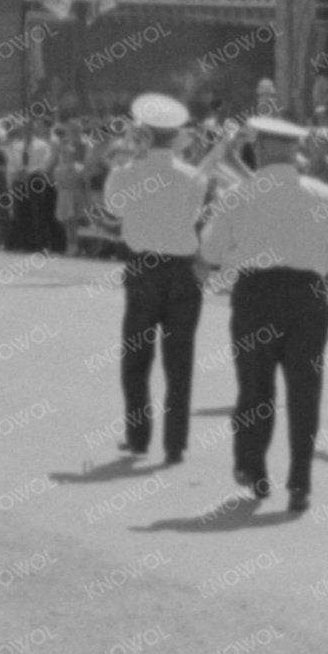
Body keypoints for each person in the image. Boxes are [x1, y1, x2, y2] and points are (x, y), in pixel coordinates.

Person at [201, 117, 328, 515]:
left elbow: (210, 251)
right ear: (295, 151)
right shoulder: (323, 194)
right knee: (305, 391)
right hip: (307, 295)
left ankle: (253, 466)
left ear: (261, 150)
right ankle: (300, 481)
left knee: (254, 387)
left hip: (256, 295)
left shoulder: (238, 194)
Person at [101, 93, 216, 465]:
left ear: (143, 133)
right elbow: (194, 213)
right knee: (179, 359)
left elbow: (113, 209)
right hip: (182, 271)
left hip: (142, 268)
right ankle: (175, 444)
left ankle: (138, 438)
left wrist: (128, 160)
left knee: (137, 357)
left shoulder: (126, 172)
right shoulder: (193, 176)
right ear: (175, 135)